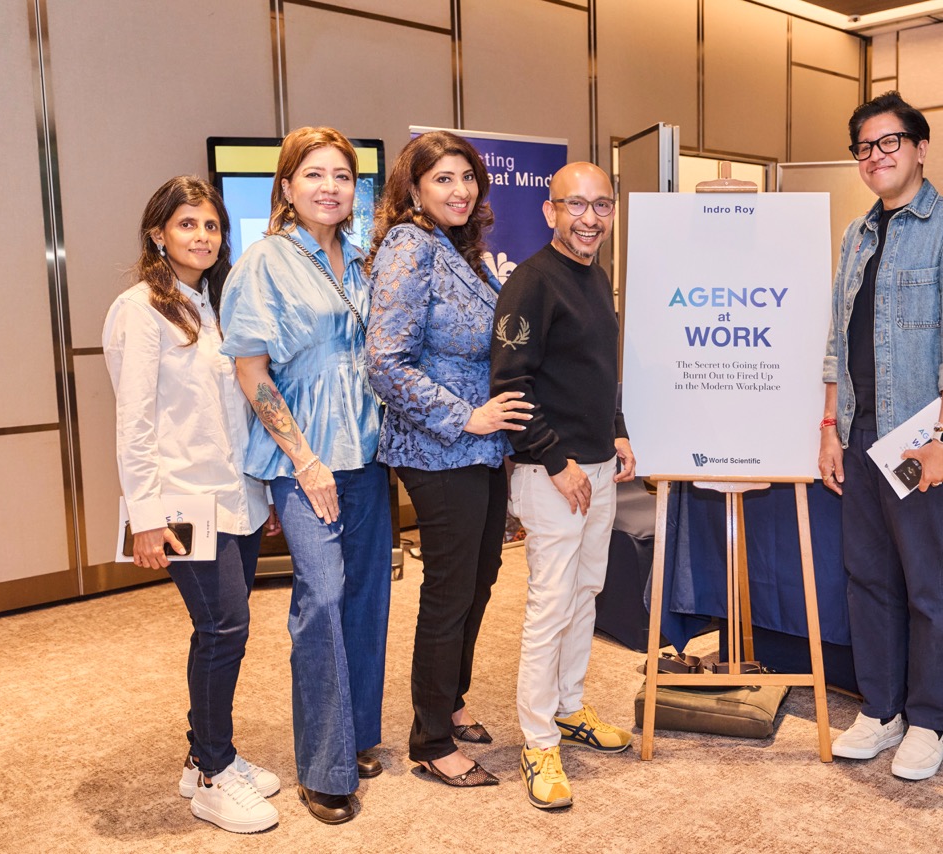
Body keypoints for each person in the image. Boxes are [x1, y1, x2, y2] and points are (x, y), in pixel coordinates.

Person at [220, 127, 392, 824]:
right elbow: (251, 371)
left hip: (368, 456)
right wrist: (305, 459)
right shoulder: (263, 262)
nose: (330, 187)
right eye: (314, 174)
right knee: (321, 601)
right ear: (287, 186)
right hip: (305, 464)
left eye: (342, 176)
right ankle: (324, 766)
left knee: (367, 599)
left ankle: (357, 736)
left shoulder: (364, 260)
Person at [818, 93, 943, 780]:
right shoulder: (857, 235)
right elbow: (837, 344)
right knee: (867, 579)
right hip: (860, 435)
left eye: (889, 142)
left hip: (921, 440)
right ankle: (881, 709)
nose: (875, 156)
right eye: (864, 147)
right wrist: (829, 429)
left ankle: (930, 719)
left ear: (920, 148)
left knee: (927, 584)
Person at [103, 176, 282, 833]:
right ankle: (213, 772)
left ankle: (202, 756)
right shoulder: (139, 309)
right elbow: (135, 424)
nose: (202, 237)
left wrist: (261, 490)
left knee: (222, 629)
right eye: (187, 224)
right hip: (181, 500)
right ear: (158, 234)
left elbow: (236, 409)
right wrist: (146, 517)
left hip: (234, 494)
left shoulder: (215, 305)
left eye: (211, 226)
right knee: (224, 629)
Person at [366, 131, 531, 788]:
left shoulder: (456, 248)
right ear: (413, 187)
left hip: (483, 448)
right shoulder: (410, 246)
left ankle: (451, 701)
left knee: (481, 576)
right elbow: (385, 362)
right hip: (439, 447)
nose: (460, 190)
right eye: (443, 179)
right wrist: (466, 415)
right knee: (450, 589)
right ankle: (431, 740)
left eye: (467, 178)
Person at [489, 162, 636, 810]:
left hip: (597, 467)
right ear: (550, 211)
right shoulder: (530, 283)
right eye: (575, 205)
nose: (589, 218)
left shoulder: (596, 276)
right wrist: (555, 459)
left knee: (585, 594)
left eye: (601, 205)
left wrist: (617, 431)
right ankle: (538, 740)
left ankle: (570, 708)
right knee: (550, 606)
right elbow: (509, 386)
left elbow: (595, 372)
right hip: (554, 474)